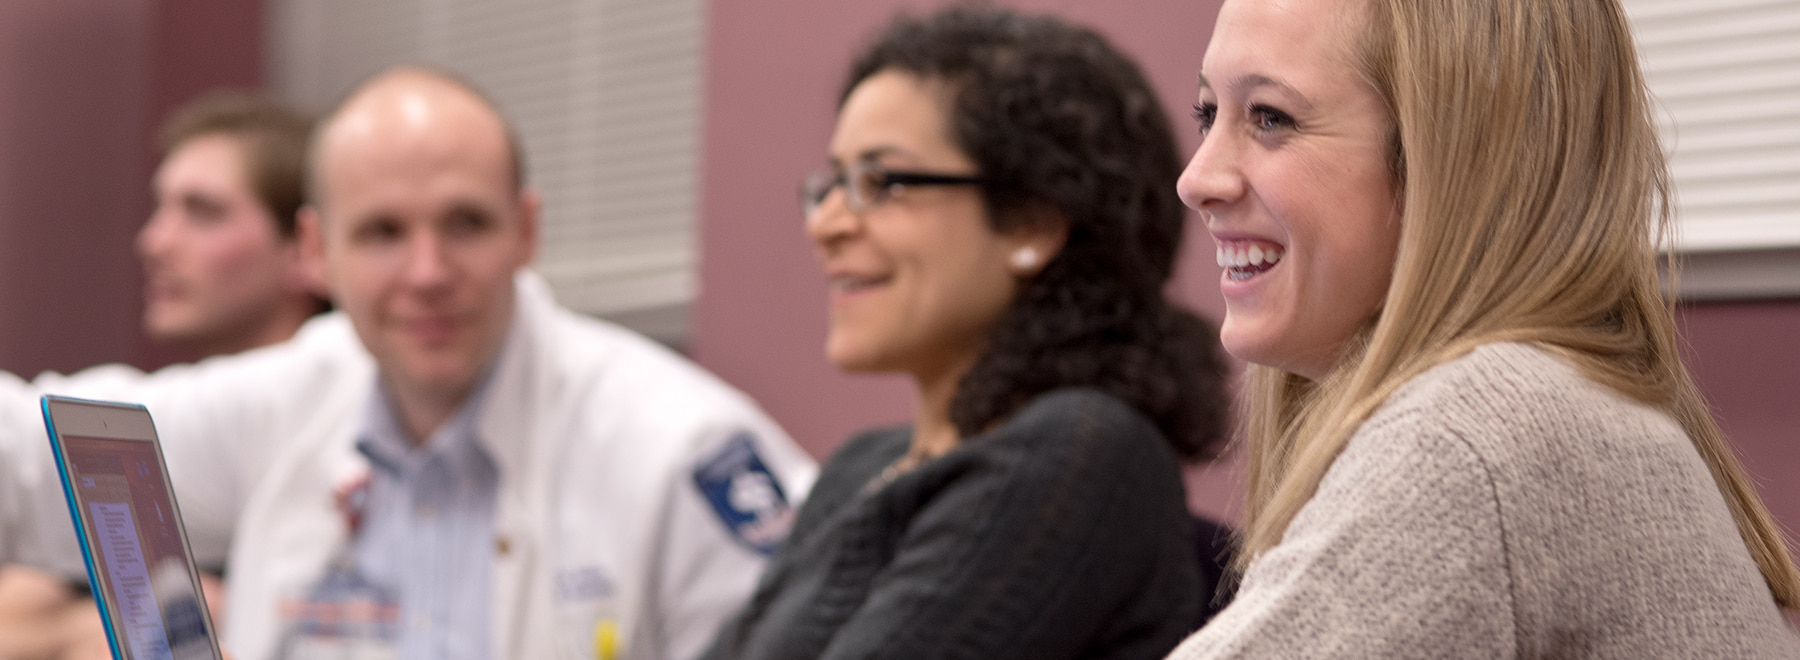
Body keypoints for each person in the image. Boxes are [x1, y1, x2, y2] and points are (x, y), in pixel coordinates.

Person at [0, 66, 816, 660]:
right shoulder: (295, 399)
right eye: (383, 233)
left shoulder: (679, 447)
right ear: (318, 251)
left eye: (465, 223)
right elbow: (33, 458)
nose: (427, 273)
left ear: (526, 231)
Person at [1164, 0, 1800, 656]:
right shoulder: (1550, 404)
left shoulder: (1477, 433)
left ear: (1461, 159)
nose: (1196, 179)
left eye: (1270, 117)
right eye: (1208, 114)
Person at [703, 7, 1232, 660]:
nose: (827, 224)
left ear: (1030, 224)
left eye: (883, 182)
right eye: (833, 183)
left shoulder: (1084, 453)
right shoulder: (861, 467)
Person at [0, 92, 326, 660]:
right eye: (162, 208)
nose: (154, 242)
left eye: (202, 212)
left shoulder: (337, 454)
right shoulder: (156, 436)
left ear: (306, 247)